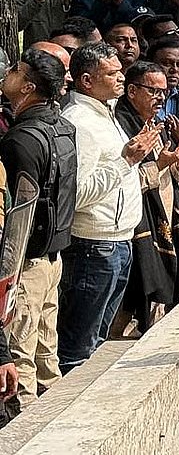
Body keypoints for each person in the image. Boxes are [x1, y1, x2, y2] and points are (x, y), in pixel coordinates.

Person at [58, 43, 156, 373]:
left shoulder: (106, 113)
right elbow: (78, 193)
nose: (120, 77)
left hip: (119, 240)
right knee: (79, 346)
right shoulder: (79, 122)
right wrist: (127, 159)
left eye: (119, 70)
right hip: (93, 245)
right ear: (86, 80)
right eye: (112, 73)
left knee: (99, 340)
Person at [0, 49, 75, 405]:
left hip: (26, 266)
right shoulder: (62, 126)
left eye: (15, 70)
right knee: (47, 357)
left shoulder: (19, 140)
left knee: (21, 358)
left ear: (28, 87)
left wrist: (8, 275)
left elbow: (18, 215)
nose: (8, 74)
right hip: (53, 258)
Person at [112, 61, 179, 334]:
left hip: (167, 213)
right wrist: (160, 165)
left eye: (164, 92)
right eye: (153, 91)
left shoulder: (155, 123)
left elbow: (172, 171)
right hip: (137, 223)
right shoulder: (121, 125)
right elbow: (121, 182)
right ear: (132, 91)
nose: (161, 98)